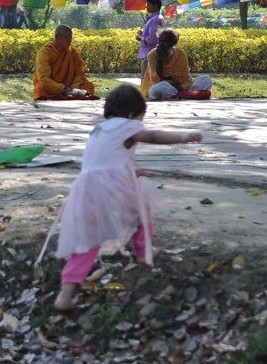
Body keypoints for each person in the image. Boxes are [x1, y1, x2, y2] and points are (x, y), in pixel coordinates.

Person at [47, 85, 203, 311]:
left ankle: (64, 295)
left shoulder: (99, 129)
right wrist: (182, 136)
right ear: (133, 114)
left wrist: (133, 171)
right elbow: (151, 136)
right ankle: (143, 251)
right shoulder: (127, 125)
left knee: (87, 242)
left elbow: (103, 162)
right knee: (142, 208)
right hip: (109, 187)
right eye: (141, 117)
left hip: (84, 191)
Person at [140, 30, 213, 100]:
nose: (160, 44)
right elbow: (156, 80)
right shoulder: (152, 55)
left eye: (164, 42)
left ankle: (179, 95)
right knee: (158, 89)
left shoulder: (180, 54)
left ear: (172, 44)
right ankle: (185, 95)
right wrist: (160, 59)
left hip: (182, 87)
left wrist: (178, 86)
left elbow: (186, 78)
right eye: (160, 41)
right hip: (164, 86)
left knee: (206, 79)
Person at [33, 25, 96, 100]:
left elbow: (79, 75)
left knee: (88, 85)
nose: (70, 41)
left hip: (70, 87)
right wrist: (63, 88)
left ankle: (71, 93)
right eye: (67, 38)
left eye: (71, 38)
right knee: (42, 85)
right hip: (53, 88)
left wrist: (73, 88)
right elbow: (43, 78)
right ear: (57, 37)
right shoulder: (45, 53)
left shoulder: (72, 52)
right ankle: (69, 93)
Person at [136, 0, 165, 78]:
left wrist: (140, 38)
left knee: (147, 80)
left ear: (155, 6)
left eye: (148, 5)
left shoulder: (154, 20)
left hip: (149, 54)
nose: (147, 7)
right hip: (152, 53)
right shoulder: (157, 18)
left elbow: (152, 39)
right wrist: (143, 31)